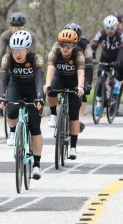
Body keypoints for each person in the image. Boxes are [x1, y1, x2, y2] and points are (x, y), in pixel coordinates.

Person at [0, 30, 45, 180]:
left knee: (35, 126)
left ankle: (36, 165)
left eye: (21, 50)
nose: (17, 54)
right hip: (16, 86)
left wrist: (39, 98)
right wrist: (2, 97)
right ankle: (13, 132)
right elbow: (3, 78)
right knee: (11, 111)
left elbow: (39, 79)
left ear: (28, 49)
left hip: (33, 89)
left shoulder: (36, 58)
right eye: (14, 50)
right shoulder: (7, 58)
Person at [44, 29, 85, 159]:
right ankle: (53, 114)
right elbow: (50, 70)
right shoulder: (54, 52)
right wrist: (47, 84)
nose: (65, 48)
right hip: (60, 78)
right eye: (62, 44)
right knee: (51, 90)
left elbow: (81, 73)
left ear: (74, 45)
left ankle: (73, 147)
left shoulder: (79, 55)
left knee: (74, 114)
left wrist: (80, 87)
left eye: (68, 45)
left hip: (74, 81)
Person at [91, 15, 123, 118]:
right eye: (107, 28)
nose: (109, 31)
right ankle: (99, 104)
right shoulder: (100, 34)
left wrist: (118, 61)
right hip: (105, 58)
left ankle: (117, 86)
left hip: (117, 57)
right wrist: (93, 55)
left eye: (112, 28)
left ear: (116, 27)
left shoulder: (121, 36)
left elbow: (122, 51)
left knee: (121, 65)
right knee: (100, 78)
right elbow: (93, 46)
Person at [65, 22, 94, 126]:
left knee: (81, 92)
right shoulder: (60, 43)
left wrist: (88, 84)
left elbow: (89, 65)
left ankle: (80, 117)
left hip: (80, 69)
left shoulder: (85, 44)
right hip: (65, 69)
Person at [0, 12, 26, 82]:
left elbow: (32, 53)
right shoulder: (5, 35)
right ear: (10, 27)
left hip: (26, 61)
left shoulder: (31, 36)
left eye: (19, 28)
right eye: (14, 28)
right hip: (12, 60)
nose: (17, 31)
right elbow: (1, 52)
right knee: (4, 76)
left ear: (24, 27)